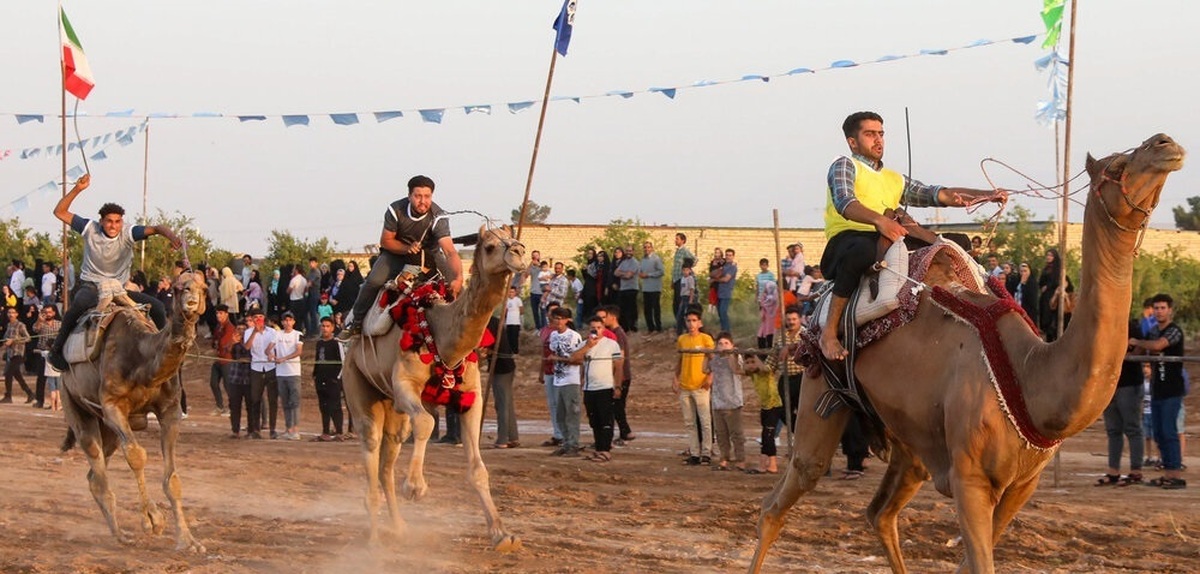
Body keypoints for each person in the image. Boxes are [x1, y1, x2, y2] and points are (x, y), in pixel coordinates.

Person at [818, 111, 1005, 361]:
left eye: (881, 134)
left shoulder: (894, 178)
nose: (878, 140)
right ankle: (829, 332)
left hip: (890, 237)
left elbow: (937, 194)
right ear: (853, 141)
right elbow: (845, 202)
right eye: (870, 134)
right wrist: (879, 221)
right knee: (861, 251)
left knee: (957, 242)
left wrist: (986, 195)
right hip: (849, 238)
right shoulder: (844, 165)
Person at [47, 175, 181, 370]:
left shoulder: (128, 233)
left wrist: (172, 237)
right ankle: (56, 351)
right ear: (101, 221)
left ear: (122, 222)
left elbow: (157, 228)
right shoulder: (89, 228)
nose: (113, 226)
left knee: (158, 307)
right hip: (92, 286)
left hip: (119, 290)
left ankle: (165, 350)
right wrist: (78, 189)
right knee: (78, 306)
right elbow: (59, 212)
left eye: (117, 222)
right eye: (109, 221)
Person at [344, 175, 463, 337]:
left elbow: (449, 251)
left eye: (427, 196)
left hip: (430, 255)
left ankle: (466, 332)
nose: (423, 201)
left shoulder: (438, 217)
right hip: (397, 253)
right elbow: (386, 241)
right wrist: (407, 248)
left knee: (459, 289)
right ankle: (355, 322)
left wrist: (459, 277)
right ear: (409, 196)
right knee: (373, 281)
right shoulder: (396, 210)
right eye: (418, 196)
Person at [1128, 293, 1187, 489]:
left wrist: (1138, 342)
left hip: (1172, 390)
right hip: (1156, 390)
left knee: (1169, 432)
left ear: (1170, 310)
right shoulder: (1152, 331)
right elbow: (1140, 350)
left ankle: (1175, 474)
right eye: (1156, 308)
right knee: (1159, 433)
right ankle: (1167, 473)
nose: (1159, 311)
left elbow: (1158, 345)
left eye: (1163, 308)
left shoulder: (1174, 331)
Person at [1097, 319, 1145, 486]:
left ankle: (1136, 471)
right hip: (1109, 384)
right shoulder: (1102, 325)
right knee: (1113, 430)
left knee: (1132, 427)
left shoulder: (1132, 326)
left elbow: (1138, 351)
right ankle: (1113, 471)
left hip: (1129, 384)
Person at [571, 315, 623, 462]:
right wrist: (588, 346)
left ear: (604, 328)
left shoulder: (611, 344)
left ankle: (605, 450)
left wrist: (618, 386)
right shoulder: (585, 344)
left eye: (599, 328)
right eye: (593, 328)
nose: (596, 330)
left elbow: (618, 367)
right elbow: (573, 359)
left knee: (606, 420)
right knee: (594, 421)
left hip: (605, 387)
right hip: (589, 388)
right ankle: (599, 448)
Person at [674, 309, 714, 466]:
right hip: (685, 385)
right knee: (689, 422)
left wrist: (710, 377)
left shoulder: (706, 339)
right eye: (688, 321)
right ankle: (694, 452)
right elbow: (679, 360)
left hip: (700, 385)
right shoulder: (682, 339)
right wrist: (675, 378)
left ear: (700, 323)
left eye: (694, 320)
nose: (691, 324)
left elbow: (713, 360)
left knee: (705, 421)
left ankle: (706, 452)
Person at [546, 306, 585, 457]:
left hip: (571, 379)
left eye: (561, 318)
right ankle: (566, 442)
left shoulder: (574, 336)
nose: (558, 321)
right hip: (559, 379)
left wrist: (558, 359)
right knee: (560, 414)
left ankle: (573, 444)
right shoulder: (553, 335)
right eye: (556, 318)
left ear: (567, 320)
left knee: (572, 413)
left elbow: (578, 359)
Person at [706, 331, 746, 472]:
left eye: (726, 343)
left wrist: (731, 354)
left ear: (732, 345)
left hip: (732, 401)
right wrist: (707, 355)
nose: (723, 346)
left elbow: (738, 370)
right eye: (720, 343)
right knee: (721, 433)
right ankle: (724, 458)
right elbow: (704, 369)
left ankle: (740, 459)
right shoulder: (714, 359)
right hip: (717, 401)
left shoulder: (736, 356)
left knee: (736, 433)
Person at [597, 304, 635, 443]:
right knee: (617, 406)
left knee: (616, 406)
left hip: (621, 376)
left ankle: (625, 432)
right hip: (621, 375)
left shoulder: (617, 334)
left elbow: (620, 357)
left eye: (604, 317)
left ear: (612, 317)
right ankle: (625, 432)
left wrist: (615, 377)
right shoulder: (617, 333)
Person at [243, 307, 278, 440]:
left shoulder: (272, 332)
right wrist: (254, 333)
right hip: (256, 367)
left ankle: (273, 429)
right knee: (255, 399)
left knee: (272, 399)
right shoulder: (248, 332)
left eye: (260, 317)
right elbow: (247, 347)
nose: (258, 320)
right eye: (255, 318)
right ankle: (256, 429)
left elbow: (275, 347)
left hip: (270, 367)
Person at [745, 352, 782, 475]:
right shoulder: (752, 373)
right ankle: (770, 464)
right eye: (748, 362)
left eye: (753, 362)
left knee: (768, 436)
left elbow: (764, 368)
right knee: (766, 435)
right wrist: (734, 356)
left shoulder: (766, 372)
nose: (750, 365)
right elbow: (736, 370)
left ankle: (766, 464)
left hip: (774, 405)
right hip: (765, 407)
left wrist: (755, 355)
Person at [486, 317, 520, 449]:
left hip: (502, 367)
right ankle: (512, 436)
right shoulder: (493, 321)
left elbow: (486, 343)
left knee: (502, 404)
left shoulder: (491, 322)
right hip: (502, 366)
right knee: (506, 403)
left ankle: (503, 438)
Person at [312, 316, 345, 441]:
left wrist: (337, 378)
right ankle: (325, 432)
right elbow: (317, 360)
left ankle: (339, 432)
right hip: (320, 380)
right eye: (323, 326)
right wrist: (315, 375)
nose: (325, 329)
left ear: (332, 328)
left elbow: (342, 362)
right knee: (323, 406)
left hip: (333, 380)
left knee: (335, 406)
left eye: (327, 326)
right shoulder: (319, 343)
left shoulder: (336, 343)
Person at [273, 311, 304, 440]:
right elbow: (270, 348)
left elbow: (298, 351)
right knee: (285, 402)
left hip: (293, 372)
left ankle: (295, 429)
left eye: (290, 320)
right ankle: (288, 428)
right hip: (280, 373)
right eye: (285, 320)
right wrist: (271, 355)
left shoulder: (298, 335)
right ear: (282, 322)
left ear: (294, 322)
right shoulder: (277, 334)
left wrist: (283, 358)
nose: (287, 322)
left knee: (295, 402)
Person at [226, 319, 252, 439]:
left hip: (249, 377)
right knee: (234, 405)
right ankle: (235, 430)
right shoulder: (234, 341)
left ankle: (251, 430)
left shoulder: (252, 341)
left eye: (243, 329)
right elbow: (227, 350)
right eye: (239, 329)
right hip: (235, 376)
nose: (241, 331)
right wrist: (232, 342)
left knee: (250, 405)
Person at [1, 307, 33, 403]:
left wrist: (14, 340)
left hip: (18, 353)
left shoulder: (20, 325)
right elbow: (6, 338)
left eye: (13, 312)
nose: (11, 314)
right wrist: (6, 342)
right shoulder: (9, 325)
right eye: (9, 312)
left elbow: (28, 338)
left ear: (16, 314)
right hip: (11, 354)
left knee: (8, 373)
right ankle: (30, 394)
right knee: (17, 376)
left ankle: (8, 396)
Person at [32, 305, 61, 409]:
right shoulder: (41, 323)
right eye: (45, 312)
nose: (47, 314)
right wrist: (39, 320)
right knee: (41, 379)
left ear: (54, 313)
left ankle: (56, 402)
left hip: (56, 354)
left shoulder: (59, 324)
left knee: (57, 380)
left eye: (49, 312)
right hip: (43, 354)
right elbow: (35, 329)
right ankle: (40, 400)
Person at [210, 304, 235, 416]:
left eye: (220, 313)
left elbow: (224, 343)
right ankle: (219, 406)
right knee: (213, 383)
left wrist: (217, 345)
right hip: (218, 359)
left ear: (226, 314)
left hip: (226, 360)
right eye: (217, 313)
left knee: (228, 385)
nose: (218, 315)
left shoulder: (229, 328)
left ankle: (232, 408)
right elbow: (214, 340)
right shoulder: (218, 326)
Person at [639, 241, 665, 333]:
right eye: (645, 247)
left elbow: (661, 272)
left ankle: (658, 328)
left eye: (648, 247)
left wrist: (649, 275)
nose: (646, 249)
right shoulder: (643, 260)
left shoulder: (656, 259)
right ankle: (650, 328)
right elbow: (640, 271)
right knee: (647, 309)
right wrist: (640, 274)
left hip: (655, 288)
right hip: (646, 288)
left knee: (656, 308)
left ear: (652, 248)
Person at [613, 247, 640, 332]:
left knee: (631, 308)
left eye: (630, 251)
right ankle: (625, 328)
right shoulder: (624, 262)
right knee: (623, 309)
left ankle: (633, 326)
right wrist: (625, 273)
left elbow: (629, 275)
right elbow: (615, 272)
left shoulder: (635, 262)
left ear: (633, 252)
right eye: (627, 251)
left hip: (632, 288)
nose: (628, 252)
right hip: (623, 288)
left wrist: (622, 273)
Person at [714, 249, 738, 333]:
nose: (728, 256)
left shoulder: (732, 267)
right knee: (720, 313)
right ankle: (723, 329)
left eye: (730, 255)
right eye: (727, 255)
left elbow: (726, 279)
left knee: (723, 312)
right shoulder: (724, 265)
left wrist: (715, 280)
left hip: (726, 292)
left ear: (733, 256)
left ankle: (726, 331)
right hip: (720, 292)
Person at [675, 260, 697, 336]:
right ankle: (679, 334)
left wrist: (691, 300)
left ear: (690, 270)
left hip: (688, 298)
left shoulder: (690, 278)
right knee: (679, 316)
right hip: (683, 298)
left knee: (687, 316)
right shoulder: (682, 279)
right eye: (684, 270)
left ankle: (689, 332)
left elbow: (692, 289)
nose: (685, 272)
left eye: (687, 270)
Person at [504, 287, 523, 351]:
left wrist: (517, 316)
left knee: (514, 337)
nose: (511, 293)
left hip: (516, 322)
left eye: (512, 292)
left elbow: (521, 310)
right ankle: (509, 350)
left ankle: (515, 350)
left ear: (515, 293)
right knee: (509, 336)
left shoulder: (518, 300)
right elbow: (506, 310)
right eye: (510, 292)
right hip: (509, 322)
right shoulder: (507, 300)